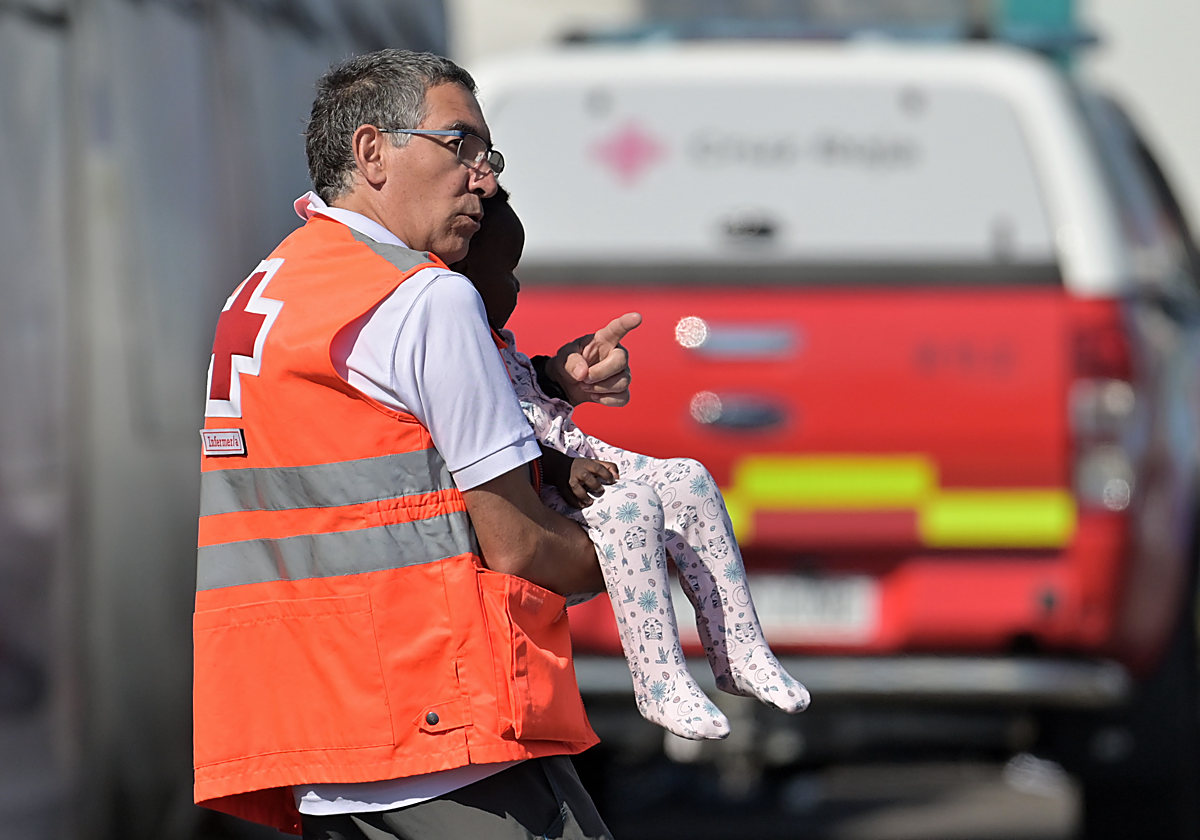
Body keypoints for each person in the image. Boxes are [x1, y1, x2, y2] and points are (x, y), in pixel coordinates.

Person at [194, 50, 631, 840]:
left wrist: (549, 381)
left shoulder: (266, 288)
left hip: (316, 743)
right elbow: (521, 545)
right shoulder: (425, 296)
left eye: (488, 155)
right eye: (460, 145)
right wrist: (638, 552)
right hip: (440, 732)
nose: (485, 178)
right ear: (371, 152)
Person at [453, 188, 810, 742]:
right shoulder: (452, 340)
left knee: (690, 479)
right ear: (465, 275)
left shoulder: (493, 340)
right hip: (538, 485)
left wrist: (559, 377)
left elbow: (526, 390)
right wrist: (551, 467)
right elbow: (478, 435)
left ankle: (737, 648)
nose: (518, 288)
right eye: (510, 273)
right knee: (632, 507)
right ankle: (660, 680)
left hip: (569, 459)